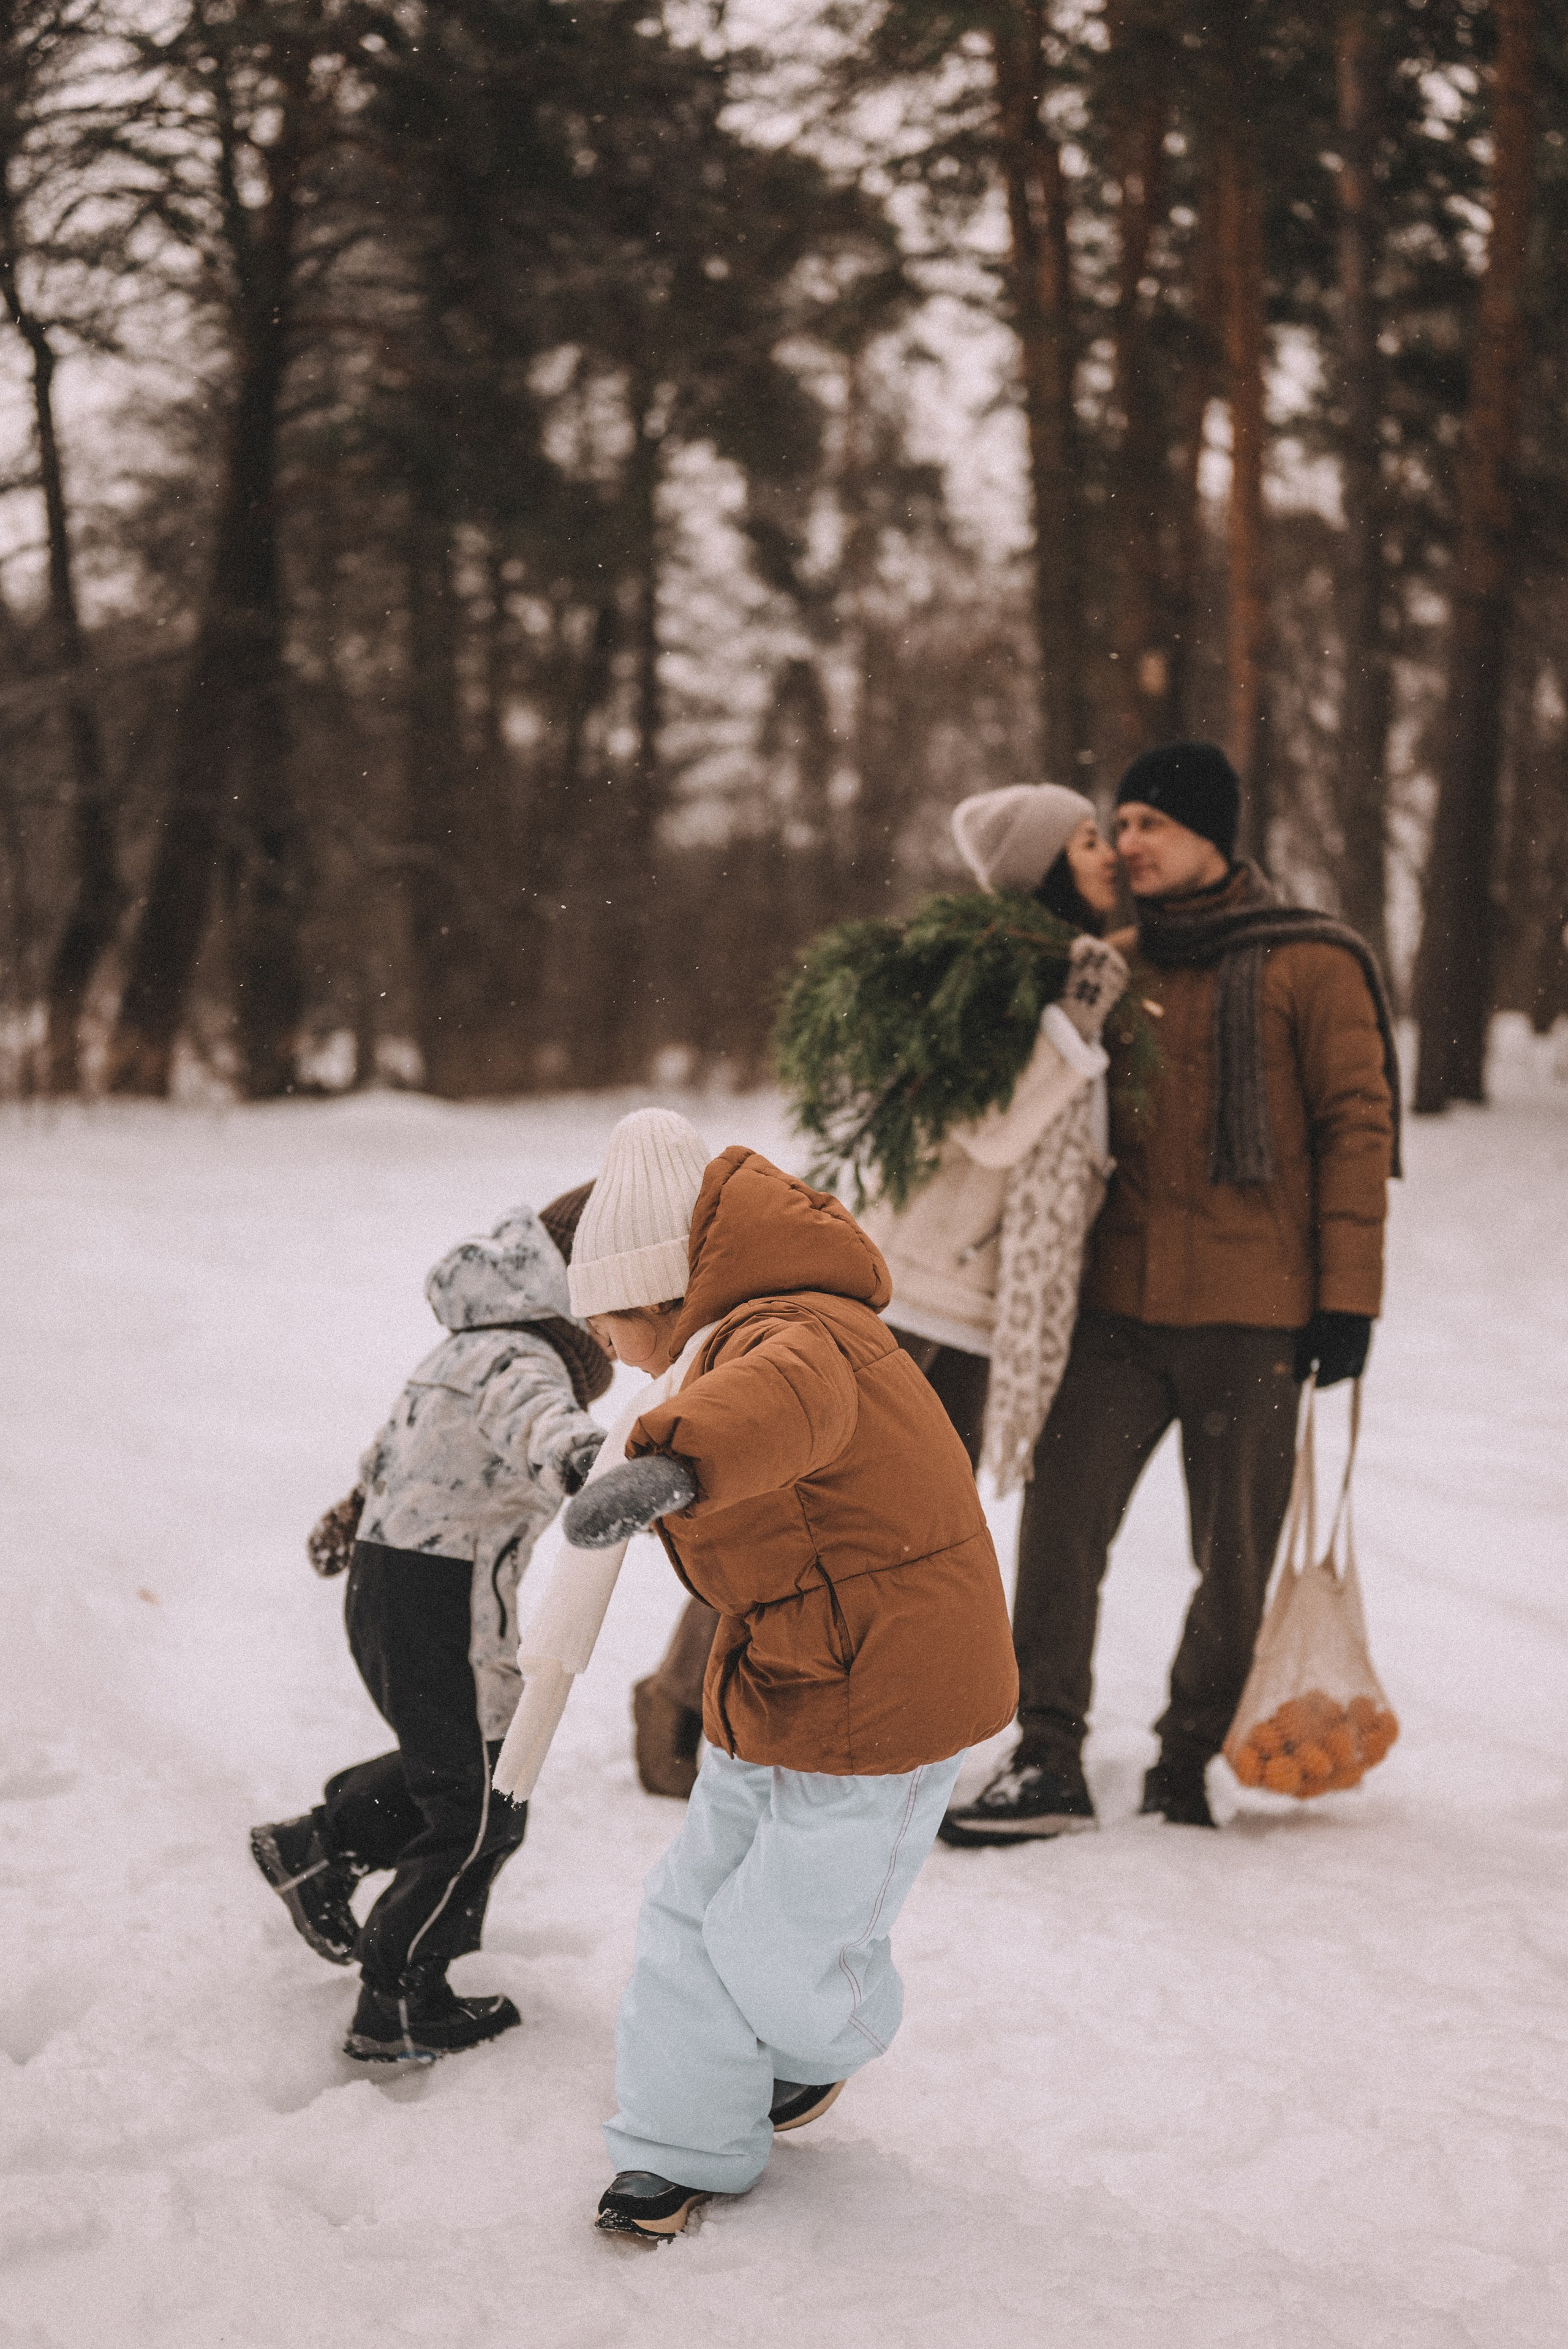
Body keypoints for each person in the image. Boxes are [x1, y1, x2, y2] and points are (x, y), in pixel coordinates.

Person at [560, 1107, 1017, 2240]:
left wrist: (677, 1461)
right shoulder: (731, 1335)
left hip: (892, 1695)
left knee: (778, 1943)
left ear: (656, 1291)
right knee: (688, 1909)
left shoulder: (805, 1332)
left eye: (605, 1324)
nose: (605, 1351)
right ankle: (679, 2146)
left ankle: (824, 2035)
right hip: (777, 1676)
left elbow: (779, 1410)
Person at [940, 739, 1399, 1846]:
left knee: (1234, 1553)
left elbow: (1356, 1132)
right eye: (1121, 824)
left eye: (1150, 824)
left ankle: (1187, 1754)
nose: (1128, 843)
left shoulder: (1312, 961)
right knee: (1059, 1529)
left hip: (1257, 1310)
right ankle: (1046, 1749)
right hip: (1114, 1311)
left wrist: (1350, 1303)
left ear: (1210, 836)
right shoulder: (1109, 963)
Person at [629, 783, 1126, 1801]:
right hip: (921, 1299)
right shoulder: (991, 975)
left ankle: (802, 1715)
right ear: (1041, 863)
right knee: (810, 1514)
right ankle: (683, 1700)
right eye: (1086, 839)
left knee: (879, 1531)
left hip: (973, 1305)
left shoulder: (1068, 970)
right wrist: (1071, 1034)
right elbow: (985, 1124)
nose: (1109, 852)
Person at [249, 1189, 612, 2061]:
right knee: (485, 1799)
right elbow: (546, 1430)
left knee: (467, 1770)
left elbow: (392, 1450)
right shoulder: (524, 1360)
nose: (617, 1336)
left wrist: (352, 1508)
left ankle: (321, 1845)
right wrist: (604, 1471)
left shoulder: (466, 1346)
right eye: (611, 1309)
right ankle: (401, 1995)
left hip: (393, 1585)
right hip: (442, 1598)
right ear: (570, 1290)